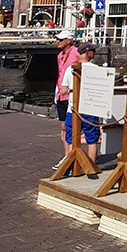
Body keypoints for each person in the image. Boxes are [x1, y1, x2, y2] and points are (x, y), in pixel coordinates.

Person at [61, 42, 102, 166]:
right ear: (87, 52)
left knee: (71, 139)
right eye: (93, 51)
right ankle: (91, 166)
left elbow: (63, 91)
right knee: (92, 140)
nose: (94, 53)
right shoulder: (96, 69)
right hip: (90, 109)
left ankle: (70, 166)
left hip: (72, 109)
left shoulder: (70, 69)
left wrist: (73, 90)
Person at [53, 30, 79, 169]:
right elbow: (60, 74)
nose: (58, 41)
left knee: (70, 128)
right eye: (57, 39)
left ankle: (72, 156)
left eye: (61, 39)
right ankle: (67, 155)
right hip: (60, 95)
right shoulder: (59, 56)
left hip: (71, 95)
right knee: (63, 128)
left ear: (68, 40)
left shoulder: (76, 53)